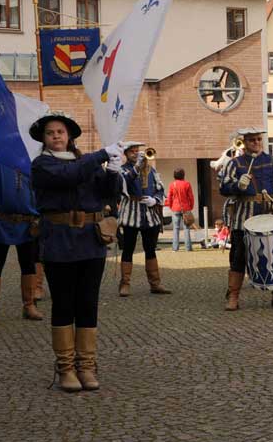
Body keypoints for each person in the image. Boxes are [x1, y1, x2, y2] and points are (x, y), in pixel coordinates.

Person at [29, 111, 124, 392]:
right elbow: (69, 176)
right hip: (59, 240)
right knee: (64, 303)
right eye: (50, 133)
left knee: (87, 303)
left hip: (91, 241)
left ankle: (86, 365)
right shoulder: (41, 164)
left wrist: (115, 170)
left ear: (69, 136)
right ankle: (66, 368)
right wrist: (101, 155)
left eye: (60, 131)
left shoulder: (86, 162)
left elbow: (108, 194)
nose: (56, 136)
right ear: (44, 139)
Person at [219, 127, 273, 311]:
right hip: (243, 216)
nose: (257, 143)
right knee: (238, 257)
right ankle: (233, 295)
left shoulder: (272, 161)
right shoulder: (234, 163)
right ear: (244, 142)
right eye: (252, 140)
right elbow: (223, 187)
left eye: (259, 139)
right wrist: (237, 185)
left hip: (268, 214)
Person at [0, 150, 42, 323]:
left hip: (27, 224)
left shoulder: (33, 165)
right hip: (1, 222)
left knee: (28, 264)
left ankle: (29, 305)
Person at [117, 143, 170, 296]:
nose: (135, 154)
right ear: (126, 154)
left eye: (136, 151)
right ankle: (125, 284)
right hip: (131, 212)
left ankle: (155, 283)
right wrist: (137, 168)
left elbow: (160, 189)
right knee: (128, 249)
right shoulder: (123, 170)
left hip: (149, 213)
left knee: (150, 248)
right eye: (132, 152)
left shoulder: (151, 169)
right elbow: (123, 185)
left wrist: (155, 199)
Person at [165, 168, 195, 252]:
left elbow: (169, 197)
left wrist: (171, 206)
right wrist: (191, 206)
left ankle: (175, 248)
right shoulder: (187, 184)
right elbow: (191, 197)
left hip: (175, 207)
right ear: (183, 175)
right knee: (186, 228)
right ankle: (188, 248)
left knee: (176, 228)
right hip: (186, 208)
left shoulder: (172, 184)